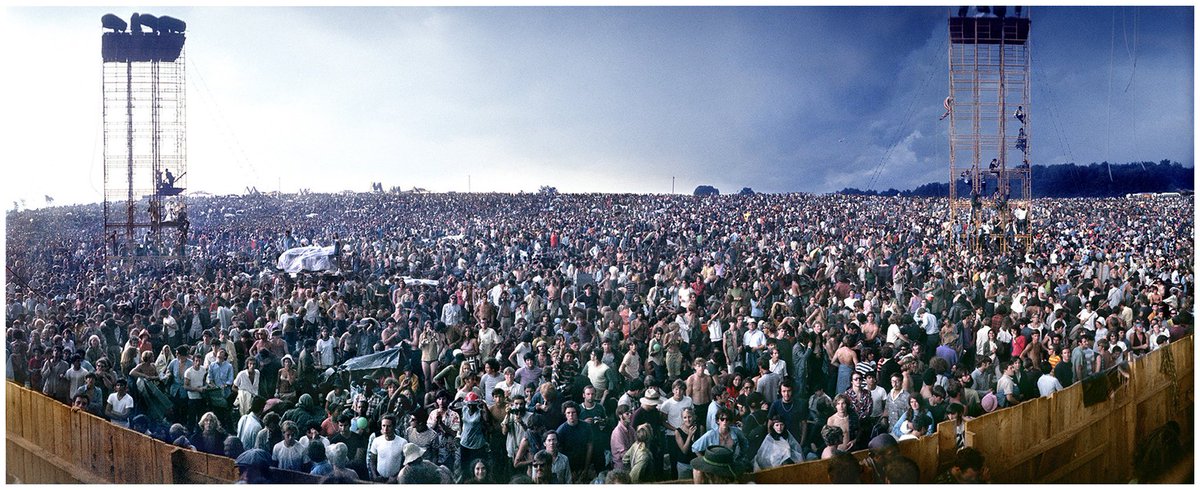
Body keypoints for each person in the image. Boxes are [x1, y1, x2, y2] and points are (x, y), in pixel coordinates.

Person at [367, 413, 407, 482]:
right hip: (379, 478)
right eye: (383, 426)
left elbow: (406, 464)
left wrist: (396, 478)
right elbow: (372, 460)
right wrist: (375, 476)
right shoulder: (376, 440)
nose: (385, 429)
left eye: (389, 426)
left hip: (395, 480)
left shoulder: (403, 442)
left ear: (394, 427)